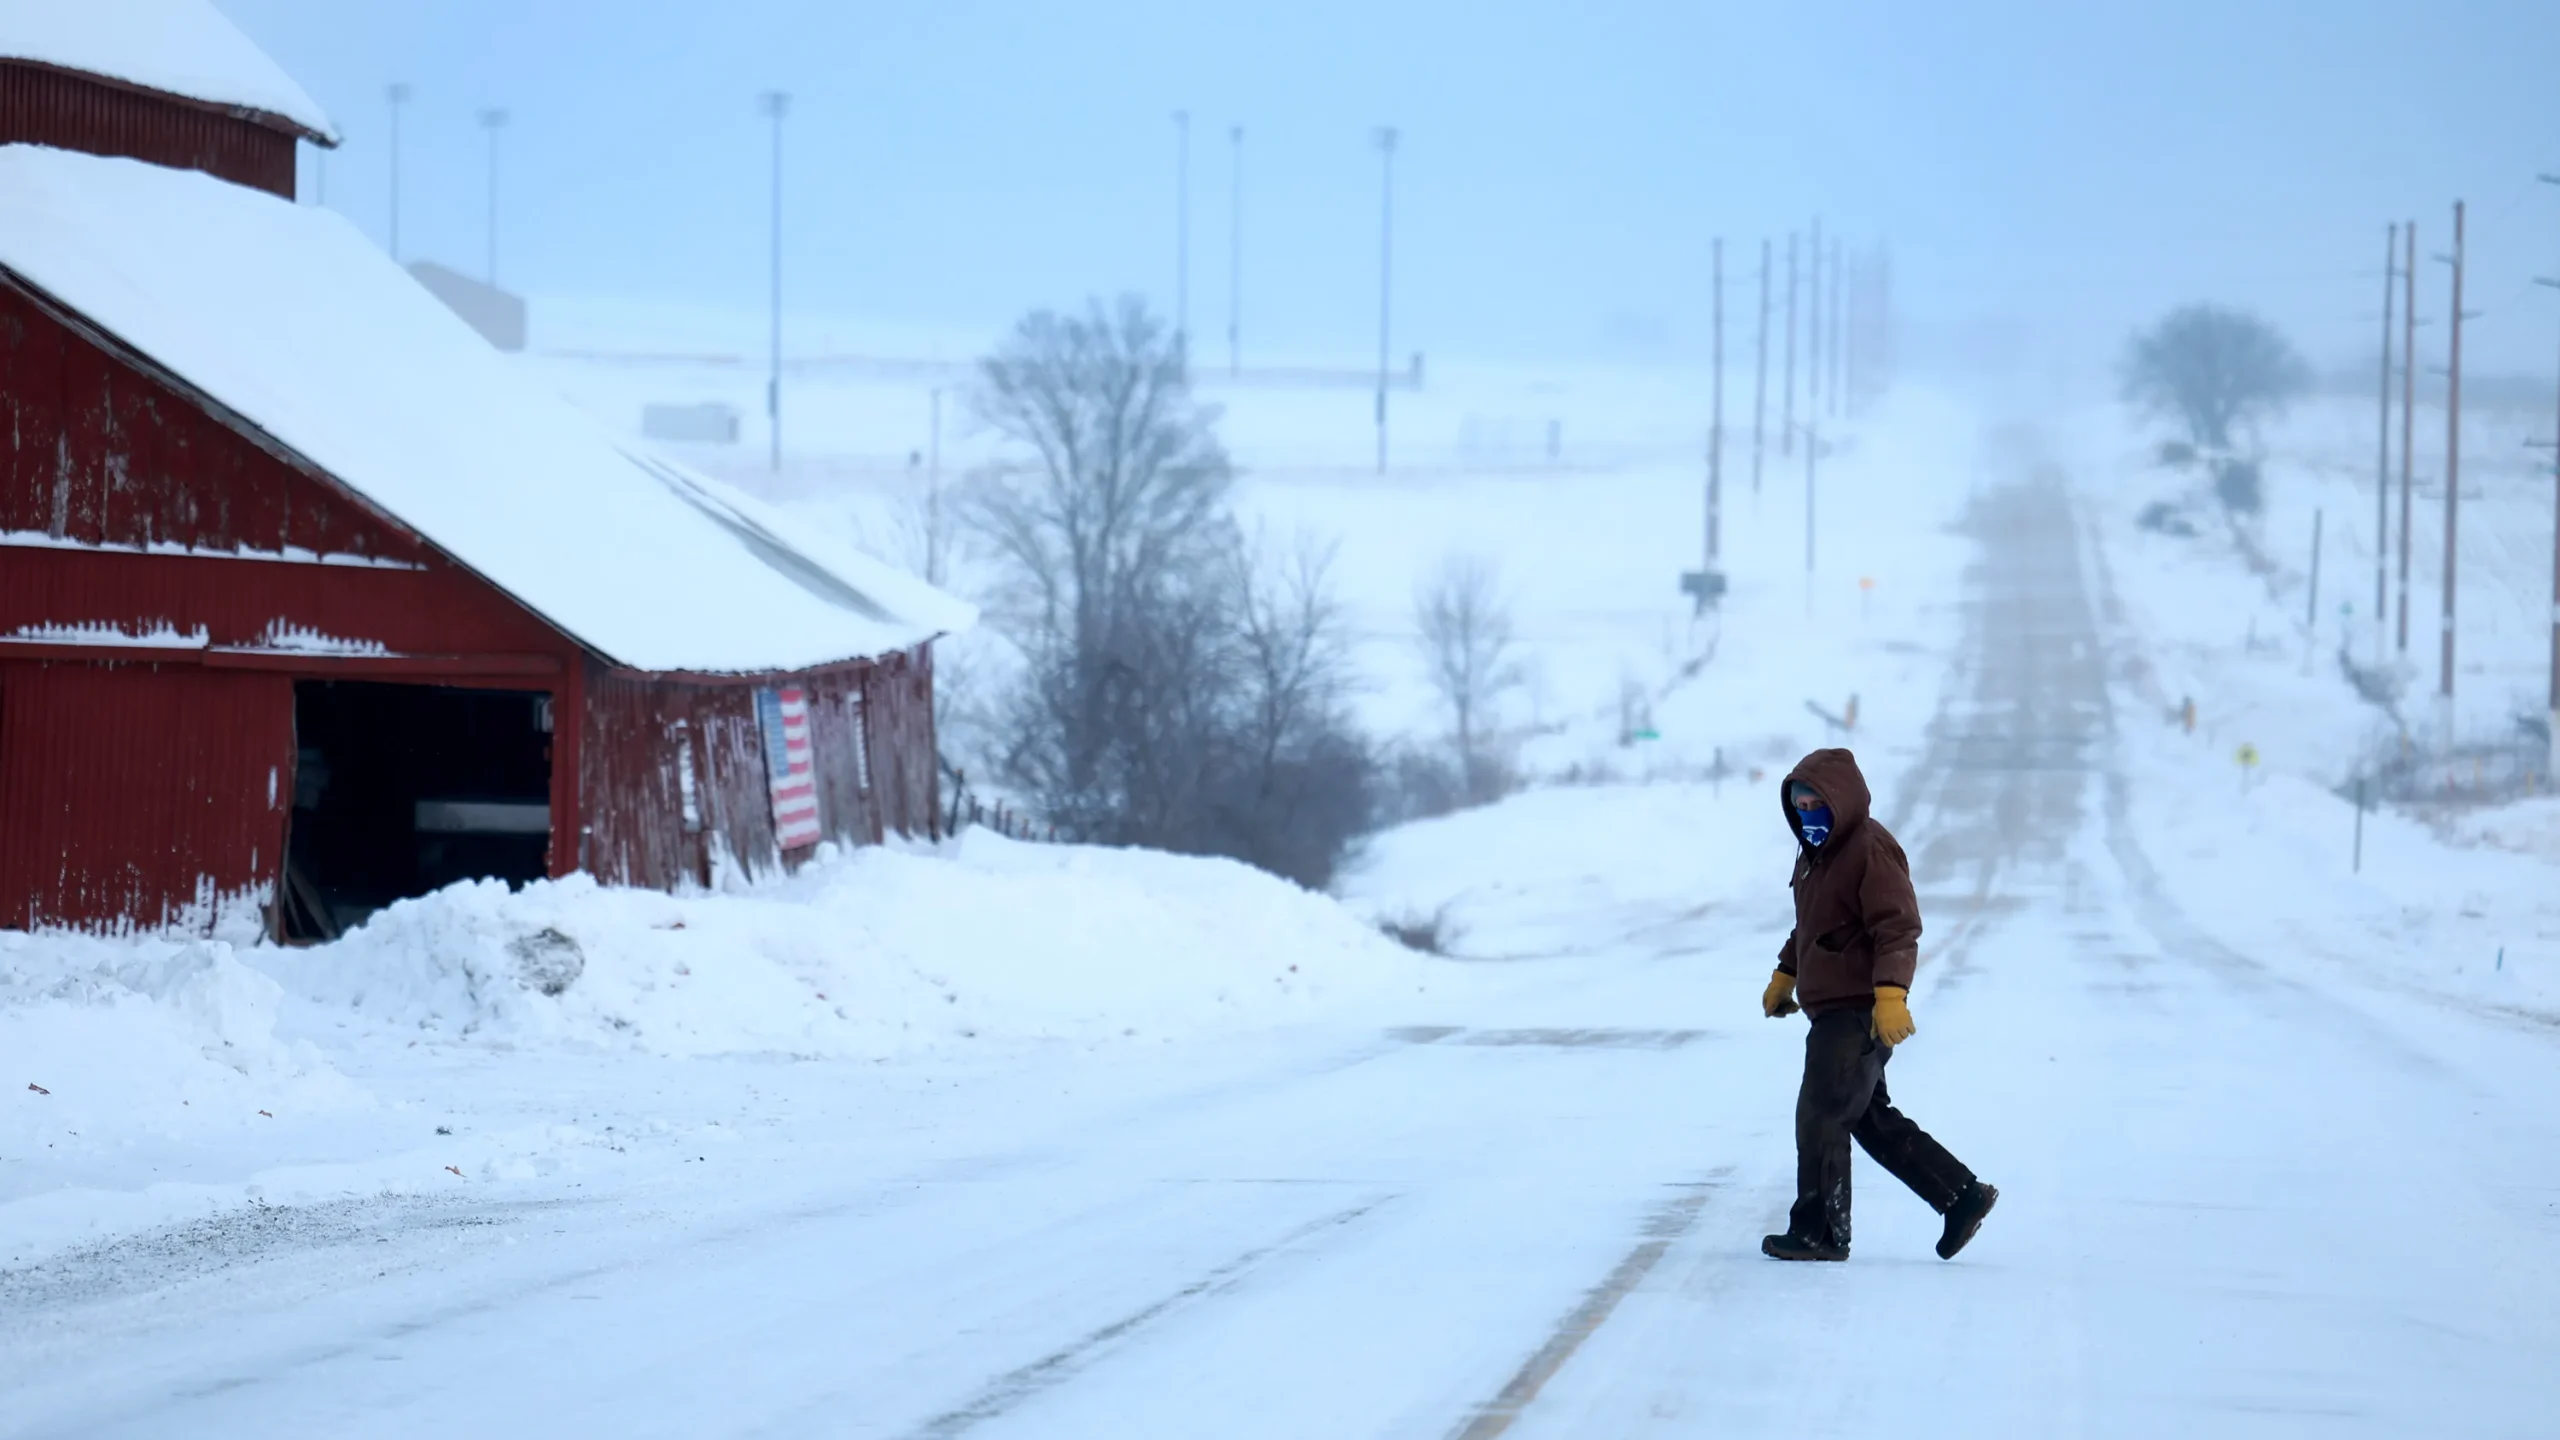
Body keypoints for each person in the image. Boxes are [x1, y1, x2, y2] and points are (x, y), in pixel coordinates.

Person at [1759, 747, 1997, 1262]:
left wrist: (1891, 994)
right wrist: (1787, 973)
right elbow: (1814, 926)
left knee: (1822, 1113)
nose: (1806, 815)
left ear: (1839, 800)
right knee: (1868, 1117)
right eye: (1798, 806)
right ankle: (1961, 1195)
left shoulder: (1868, 848)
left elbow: (1898, 925)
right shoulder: (1815, 855)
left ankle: (1821, 1231)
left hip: (1856, 1010)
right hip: (1831, 1006)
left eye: (1814, 804)